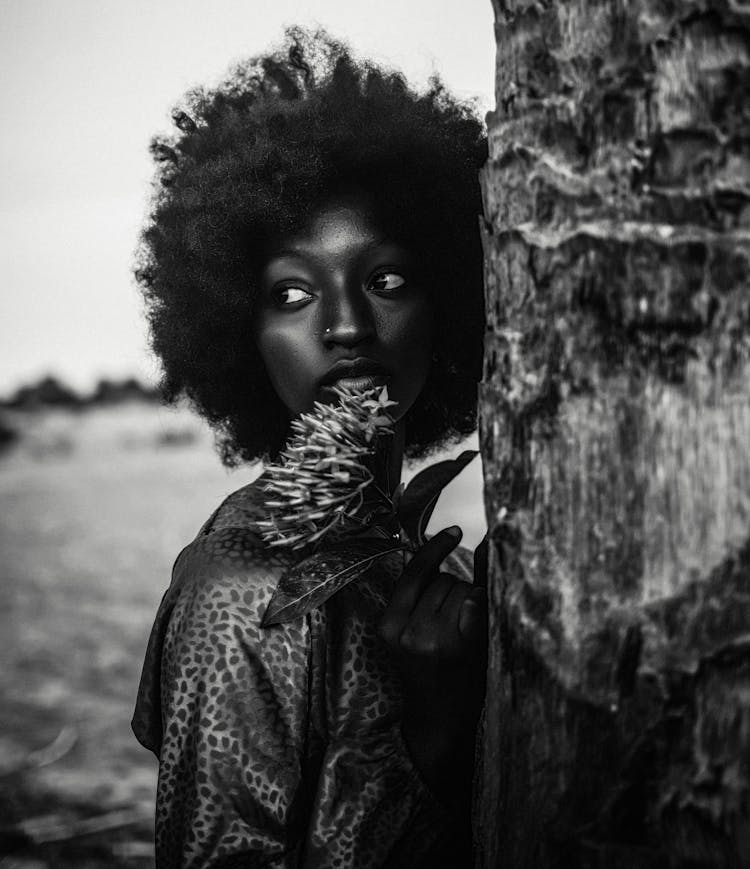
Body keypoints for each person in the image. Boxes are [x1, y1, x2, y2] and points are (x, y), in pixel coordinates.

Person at [132, 28, 488, 868]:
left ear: (449, 303)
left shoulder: (429, 568)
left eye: (386, 279)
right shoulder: (238, 593)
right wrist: (428, 737)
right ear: (239, 334)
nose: (348, 325)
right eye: (293, 292)